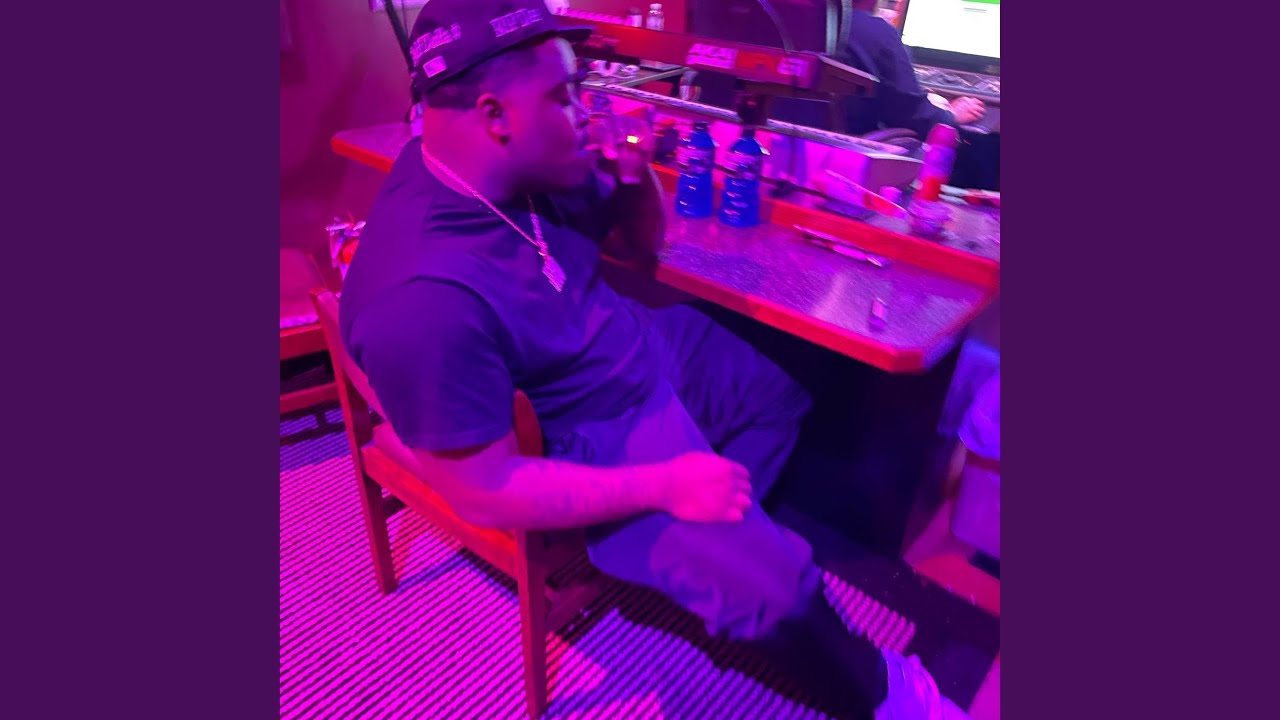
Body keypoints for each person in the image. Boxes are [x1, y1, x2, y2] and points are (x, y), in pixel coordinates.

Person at [339, 1, 969, 717]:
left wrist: (636, 177)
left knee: (785, 387)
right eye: (565, 94)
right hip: (589, 428)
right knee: (780, 585)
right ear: (494, 114)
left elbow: (642, 248)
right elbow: (483, 491)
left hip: (637, 342)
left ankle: (707, 547)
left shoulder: (526, 157)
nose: (584, 109)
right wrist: (663, 484)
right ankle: (883, 690)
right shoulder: (420, 296)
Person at [838, 0, 986, 140]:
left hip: (826, 146)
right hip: (858, 149)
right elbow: (912, 116)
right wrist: (950, 115)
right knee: (977, 143)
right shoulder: (875, 32)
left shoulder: (829, 23)